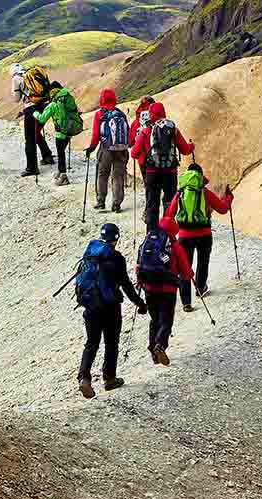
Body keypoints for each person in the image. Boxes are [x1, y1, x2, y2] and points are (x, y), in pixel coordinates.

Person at [72, 223, 146, 398]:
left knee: (91, 343)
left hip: (90, 306)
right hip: (110, 307)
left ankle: (84, 377)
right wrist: (140, 303)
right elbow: (126, 285)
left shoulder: (90, 254)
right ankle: (109, 378)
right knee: (111, 343)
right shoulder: (116, 258)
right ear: (116, 238)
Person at [162, 163, 234, 313]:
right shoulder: (204, 193)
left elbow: (169, 214)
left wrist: (170, 234)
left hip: (184, 236)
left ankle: (186, 302)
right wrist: (229, 197)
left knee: (184, 266)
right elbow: (222, 209)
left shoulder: (180, 193)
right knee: (203, 262)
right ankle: (201, 288)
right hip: (204, 235)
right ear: (200, 177)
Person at [136, 215, 193, 366]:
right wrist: (188, 277)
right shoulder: (174, 246)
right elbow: (186, 272)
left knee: (155, 320)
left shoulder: (147, 242)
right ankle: (160, 345)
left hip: (149, 289)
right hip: (167, 289)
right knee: (166, 320)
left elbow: (139, 265)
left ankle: (152, 350)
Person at [130, 101, 194, 230]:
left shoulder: (146, 131)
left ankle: (152, 234)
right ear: (164, 113)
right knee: (169, 203)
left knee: (152, 203)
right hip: (170, 172)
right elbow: (185, 150)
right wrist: (192, 146)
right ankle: (167, 233)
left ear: (151, 114)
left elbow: (134, 153)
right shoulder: (172, 130)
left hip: (152, 172)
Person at [84, 88, 130, 212]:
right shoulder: (120, 113)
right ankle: (116, 204)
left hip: (106, 149)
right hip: (121, 150)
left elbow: (95, 136)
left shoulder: (100, 114)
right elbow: (128, 133)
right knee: (118, 176)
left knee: (103, 175)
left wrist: (91, 148)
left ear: (102, 99)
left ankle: (101, 201)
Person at [32, 81, 82, 186]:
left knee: (60, 154)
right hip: (70, 130)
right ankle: (60, 171)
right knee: (61, 152)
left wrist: (34, 113)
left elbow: (42, 118)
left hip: (60, 133)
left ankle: (64, 176)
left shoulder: (53, 104)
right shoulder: (67, 98)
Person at [17, 64, 55, 177]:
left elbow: (16, 98)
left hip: (31, 108)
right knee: (35, 132)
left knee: (29, 138)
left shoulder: (17, 79)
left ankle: (32, 168)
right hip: (43, 104)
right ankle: (47, 156)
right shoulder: (33, 74)